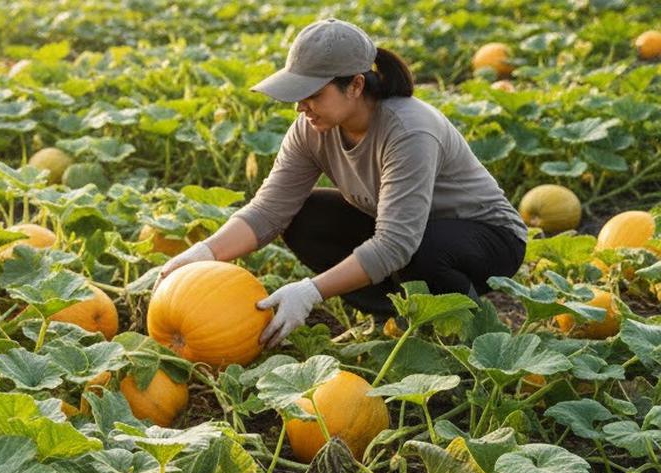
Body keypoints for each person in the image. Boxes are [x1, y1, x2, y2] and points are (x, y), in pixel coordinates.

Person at [156, 18, 527, 349]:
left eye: (314, 94)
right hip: (406, 231)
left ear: (355, 86)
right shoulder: (310, 129)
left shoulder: (408, 130)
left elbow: (397, 243)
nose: (301, 106)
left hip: (488, 238)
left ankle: (466, 331)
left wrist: (311, 291)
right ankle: (391, 316)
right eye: (298, 94)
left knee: (421, 250)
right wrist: (203, 253)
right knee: (304, 215)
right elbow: (269, 210)